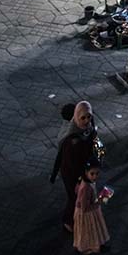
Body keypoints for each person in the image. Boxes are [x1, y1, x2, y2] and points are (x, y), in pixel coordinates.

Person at [50, 100, 99, 233]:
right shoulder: (71, 139)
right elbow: (71, 164)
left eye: (88, 116)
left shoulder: (89, 128)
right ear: (76, 117)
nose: (86, 120)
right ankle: (68, 221)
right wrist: (81, 178)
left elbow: (95, 142)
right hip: (73, 174)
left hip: (85, 171)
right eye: (83, 118)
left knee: (81, 197)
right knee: (75, 197)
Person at [74, 158, 110, 255]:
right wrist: (99, 201)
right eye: (92, 173)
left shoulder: (85, 180)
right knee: (87, 239)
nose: (95, 176)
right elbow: (85, 208)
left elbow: (76, 191)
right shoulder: (86, 188)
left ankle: (93, 250)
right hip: (86, 216)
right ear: (86, 172)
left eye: (97, 173)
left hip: (89, 213)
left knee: (90, 235)